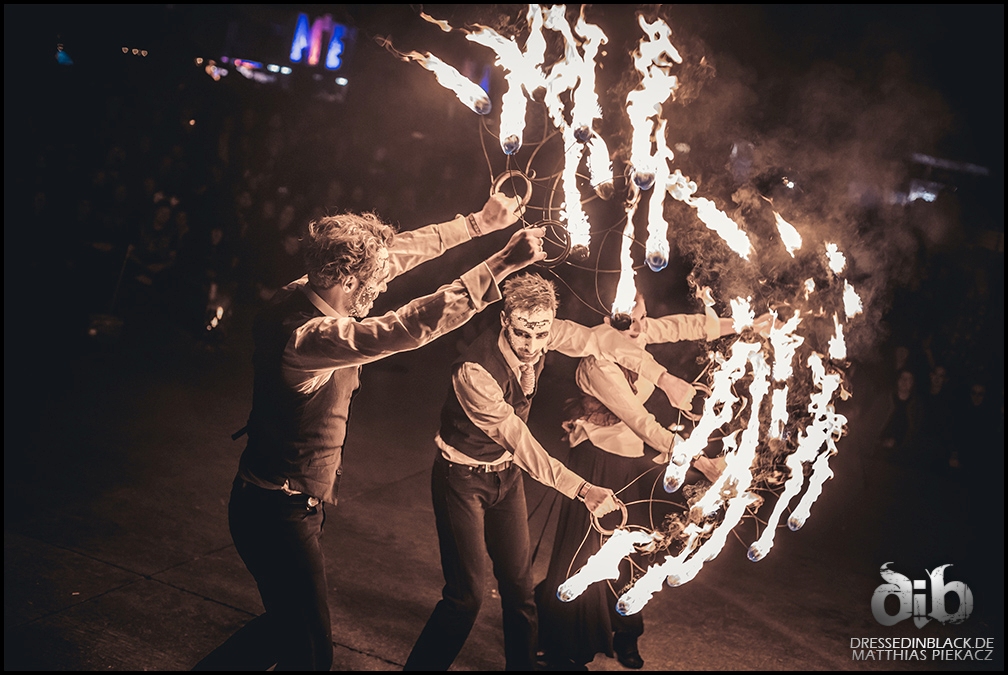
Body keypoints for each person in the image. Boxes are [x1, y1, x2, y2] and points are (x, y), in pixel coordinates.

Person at [197, 191, 544, 671]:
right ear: (346, 278)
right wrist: (501, 263)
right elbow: (408, 325)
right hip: (276, 514)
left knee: (284, 629)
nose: (381, 285)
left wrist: (480, 222)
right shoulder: (310, 337)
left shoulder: (308, 284)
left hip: (278, 504)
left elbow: (400, 253)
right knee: (312, 656)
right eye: (374, 279)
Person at [403, 273, 701, 671]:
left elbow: (602, 340)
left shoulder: (546, 331)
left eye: (541, 334)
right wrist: (581, 489)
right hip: (462, 480)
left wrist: (665, 380)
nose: (532, 346)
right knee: (466, 597)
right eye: (523, 333)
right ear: (506, 321)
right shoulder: (474, 373)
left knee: (521, 592)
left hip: (505, 479)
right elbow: (519, 440)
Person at [535, 293, 769, 670]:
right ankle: (562, 638)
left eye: (644, 316)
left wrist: (747, 325)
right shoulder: (597, 363)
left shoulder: (637, 336)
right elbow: (641, 422)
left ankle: (626, 632)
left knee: (629, 553)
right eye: (632, 320)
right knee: (583, 552)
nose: (642, 327)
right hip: (596, 464)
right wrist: (701, 462)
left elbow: (686, 326)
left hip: (629, 466)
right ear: (610, 319)